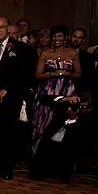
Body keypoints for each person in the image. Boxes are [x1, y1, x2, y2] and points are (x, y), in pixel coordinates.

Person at [0, 17, 36, 179]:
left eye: (1, 28)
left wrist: (6, 90)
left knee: (8, 134)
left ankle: (6, 168)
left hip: (10, 98)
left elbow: (22, 74)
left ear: (7, 29)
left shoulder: (21, 49)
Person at [32, 25, 80, 155]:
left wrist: (65, 74)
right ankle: (40, 156)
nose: (56, 38)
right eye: (54, 36)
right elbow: (38, 75)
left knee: (64, 122)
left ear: (65, 37)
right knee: (44, 121)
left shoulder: (72, 53)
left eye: (59, 36)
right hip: (48, 90)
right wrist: (51, 75)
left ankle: (62, 159)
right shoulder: (46, 54)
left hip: (67, 89)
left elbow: (78, 74)